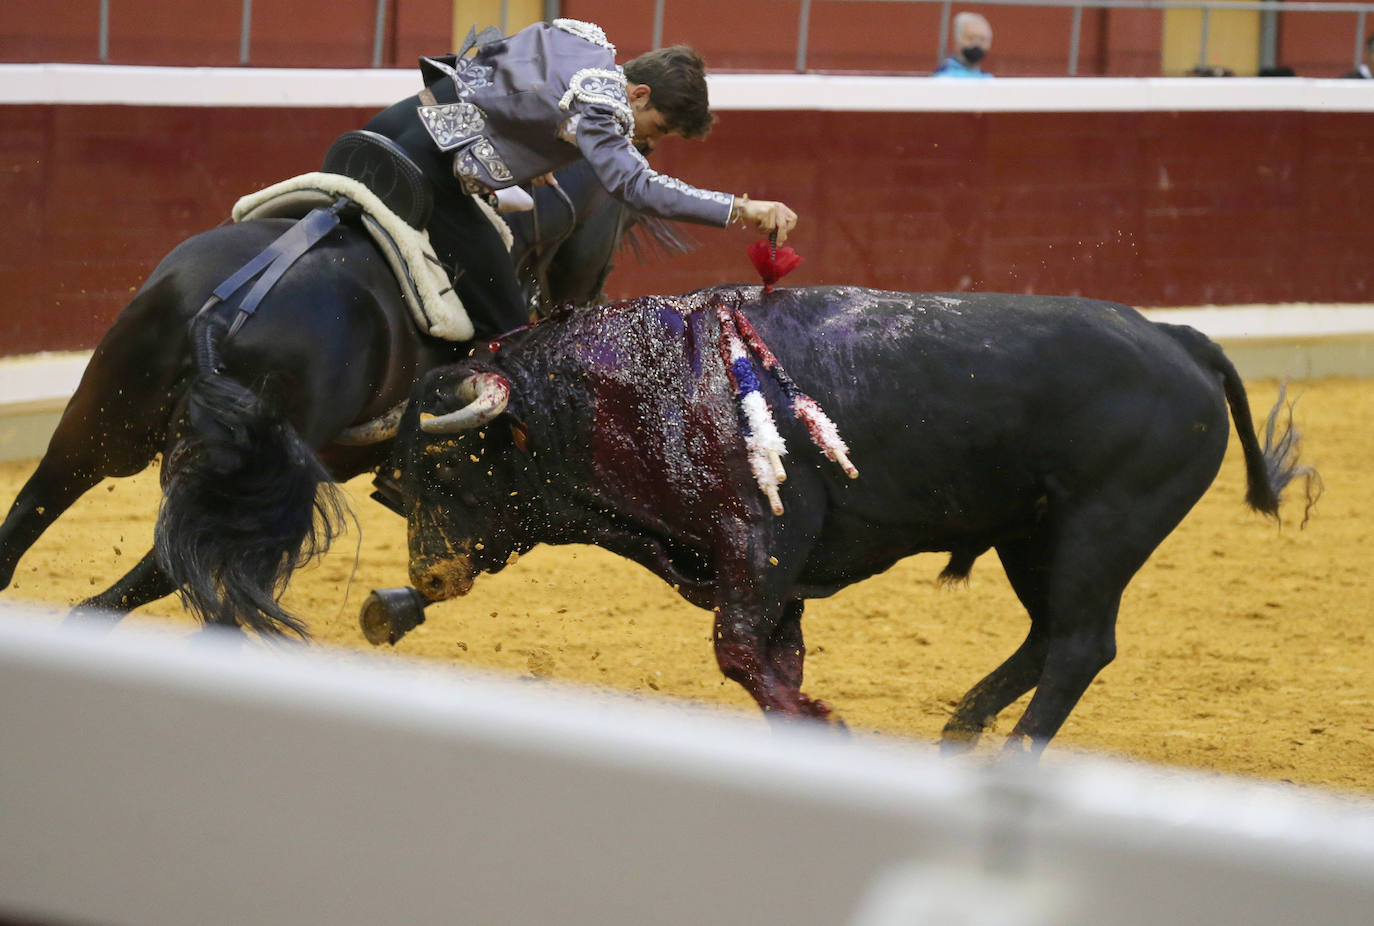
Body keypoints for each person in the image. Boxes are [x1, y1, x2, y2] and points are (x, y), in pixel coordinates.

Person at [359, 19, 798, 338]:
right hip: (428, 169)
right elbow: (635, 187)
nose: (652, 140)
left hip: (387, 128)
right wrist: (741, 208)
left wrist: (525, 141)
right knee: (508, 327)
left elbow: (506, 76)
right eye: (660, 127)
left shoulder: (583, 39)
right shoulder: (603, 108)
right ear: (639, 94)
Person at [933, 12, 994, 79]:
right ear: (957, 40)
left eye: (982, 39)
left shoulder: (988, 79)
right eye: (971, 38)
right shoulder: (944, 77)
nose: (977, 44)